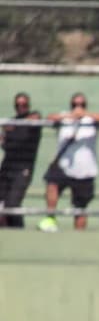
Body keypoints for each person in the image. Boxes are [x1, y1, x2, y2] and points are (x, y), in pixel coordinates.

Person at [39, 93, 99, 232]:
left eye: (81, 105)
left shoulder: (90, 119)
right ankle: (51, 218)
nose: (78, 107)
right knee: (52, 184)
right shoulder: (65, 117)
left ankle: (79, 234)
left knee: (80, 207)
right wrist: (70, 116)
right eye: (75, 104)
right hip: (63, 165)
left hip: (84, 169)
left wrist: (84, 114)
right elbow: (50, 117)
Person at [0, 92, 43, 228]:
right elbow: (5, 144)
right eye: (18, 105)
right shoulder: (10, 123)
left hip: (23, 168)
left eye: (24, 105)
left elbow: (35, 118)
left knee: (12, 204)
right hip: (7, 167)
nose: (21, 107)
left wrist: (14, 126)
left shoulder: (32, 119)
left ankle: (18, 230)